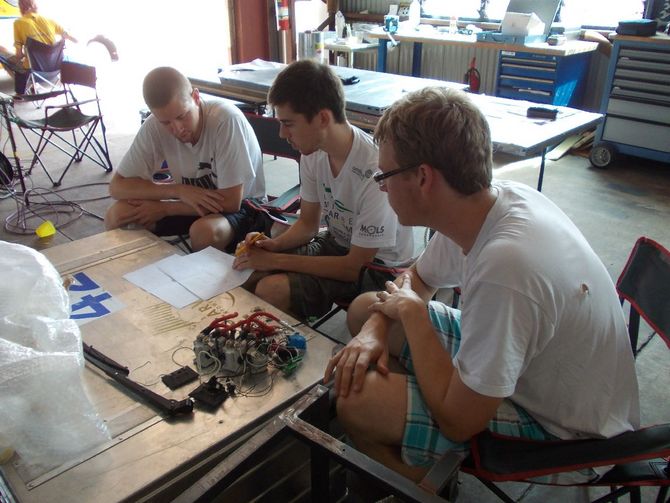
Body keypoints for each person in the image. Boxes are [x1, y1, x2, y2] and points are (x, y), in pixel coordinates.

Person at [325, 87, 640, 481]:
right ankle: (413, 412)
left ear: (423, 178)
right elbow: (419, 277)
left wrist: (414, 315)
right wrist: (373, 332)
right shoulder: (488, 205)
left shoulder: (505, 268)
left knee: (355, 402)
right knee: (366, 310)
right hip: (537, 368)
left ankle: (422, 486)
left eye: (384, 175)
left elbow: (460, 423)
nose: (381, 187)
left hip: (566, 426)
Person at [233, 60, 414, 321]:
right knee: (248, 272)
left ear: (322, 118)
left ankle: (286, 349)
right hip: (336, 244)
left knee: (270, 289)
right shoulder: (313, 152)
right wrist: (272, 246)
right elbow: (308, 223)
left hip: (378, 269)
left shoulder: (375, 169)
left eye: (289, 123)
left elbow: (354, 267)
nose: (282, 133)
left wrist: (275, 260)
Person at [105, 66, 268, 253]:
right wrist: (178, 190)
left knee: (203, 232)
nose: (177, 128)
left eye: (182, 116)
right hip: (191, 203)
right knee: (118, 214)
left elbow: (230, 201)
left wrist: (166, 209)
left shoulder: (225, 121)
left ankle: (202, 281)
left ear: (196, 98)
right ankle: (140, 277)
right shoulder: (154, 126)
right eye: (165, 122)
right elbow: (117, 187)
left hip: (243, 207)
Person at [10, 0, 78, 94]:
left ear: (21, 7)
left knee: (16, 65)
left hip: (35, 72)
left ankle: (20, 94)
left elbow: (18, 54)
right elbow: (74, 39)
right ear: (34, 5)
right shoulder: (49, 20)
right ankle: (34, 86)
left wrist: (17, 57)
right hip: (56, 69)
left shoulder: (18, 23)